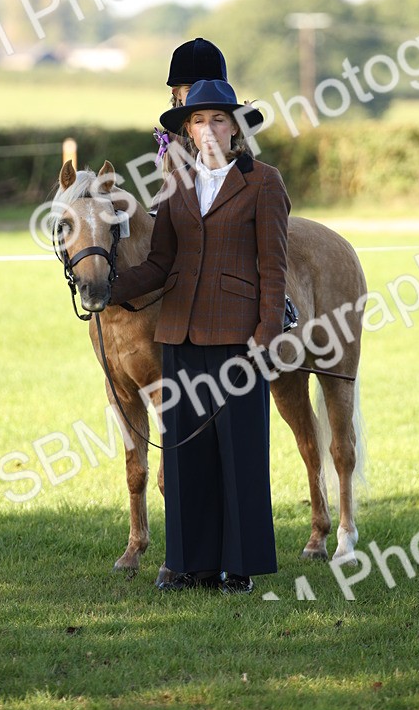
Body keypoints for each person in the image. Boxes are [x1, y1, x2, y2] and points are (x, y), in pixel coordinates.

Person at [109, 78, 291, 594]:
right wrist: (113, 289)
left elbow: (273, 267)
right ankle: (191, 563)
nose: (207, 129)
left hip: (240, 338)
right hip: (181, 334)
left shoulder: (265, 182)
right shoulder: (177, 185)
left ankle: (240, 567)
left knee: (241, 455)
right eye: (196, 120)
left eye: (217, 119)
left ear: (235, 127)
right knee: (187, 459)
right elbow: (162, 261)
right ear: (186, 129)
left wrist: (267, 332)